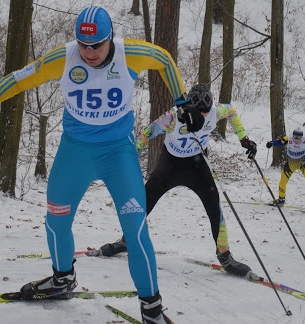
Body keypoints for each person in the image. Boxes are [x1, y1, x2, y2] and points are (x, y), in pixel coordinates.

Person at [0, 6, 204, 324]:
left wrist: (181, 100)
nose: (89, 52)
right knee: (56, 219)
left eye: (97, 45)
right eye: (83, 44)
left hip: (119, 153)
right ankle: (62, 278)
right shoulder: (63, 58)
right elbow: (24, 77)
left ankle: (152, 309)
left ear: (110, 39)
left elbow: (163, 59)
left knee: (135, 230)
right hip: (75, 152)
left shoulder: (128, 54)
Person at [96, 84, 258, 277]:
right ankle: (127, 241)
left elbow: (231, 111)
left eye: (207, 112)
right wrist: (132, 152)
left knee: (215, 208)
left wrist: (243, 138)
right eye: (201, 113)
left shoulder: (215, 111)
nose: (205, 116)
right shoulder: (173, 117)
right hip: (170, 166)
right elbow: (147, 132)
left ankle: (225, 256)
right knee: (143, 203)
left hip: (198, 167)